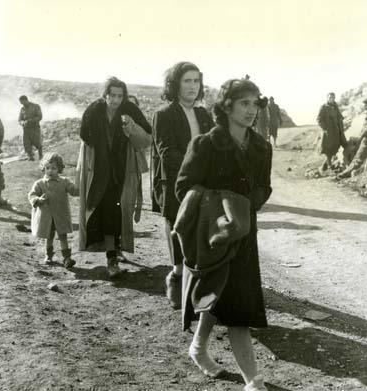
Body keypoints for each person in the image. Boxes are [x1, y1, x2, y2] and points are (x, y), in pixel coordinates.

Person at [175, 78, 273, 391]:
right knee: (227, 302)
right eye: (244, 103)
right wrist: (220, 207)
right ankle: (253, 382)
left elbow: (264, 187)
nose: (251, 110)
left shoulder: (261, 147)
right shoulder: (206, 144)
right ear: (227, 106)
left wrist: (243, 208)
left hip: (243, 237)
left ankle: (198, 348)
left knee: (230, 302)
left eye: (255, 103)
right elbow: (183, 187)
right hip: (213, 237)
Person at [151, 61, 215, 309]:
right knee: (178, 232)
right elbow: (167, 152)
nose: (192, 86)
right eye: (187, 81)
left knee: (201, 234)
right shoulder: (164, 114)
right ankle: (176, 277)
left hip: (202, 184)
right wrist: (197, 171)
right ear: (175, 84)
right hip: (176, 184)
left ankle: (198, 287)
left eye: (196, 81)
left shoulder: (202, 114)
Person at [77, 77, 152, 278]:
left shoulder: (130, 110)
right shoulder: (94, 111)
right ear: (105, 95)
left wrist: (131, 128)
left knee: (119, 211)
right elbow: (85, 136)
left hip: (122, 170)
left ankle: (114, 253)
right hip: (100, 170)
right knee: (104, 211)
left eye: (120, 96)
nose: (116, 100)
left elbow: (146, 136)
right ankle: (112, 256)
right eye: (112, 95)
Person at [28, 152, 79, 268]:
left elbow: (74, 191)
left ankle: (67, 258)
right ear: (43, 168)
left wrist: (81, 187)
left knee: (63, 236)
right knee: (49, 236)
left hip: (61, 215)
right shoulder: (40, 184)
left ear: (59, 168)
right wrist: (37, 200)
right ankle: (49, 255)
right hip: (47, 216)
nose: (50, 171)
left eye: (54, 168)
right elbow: (32, 195)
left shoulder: (65, 182)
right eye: (47, 168)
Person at [337, 97, 367, 179]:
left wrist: (360, 138)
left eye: (366, 105)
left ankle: (347, 172)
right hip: (366, 137)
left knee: (359, 156)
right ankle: (347, 168)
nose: (365, 107)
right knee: (354, 151)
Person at [317, 92, 347, 172]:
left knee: (336, 147)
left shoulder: (335, 106)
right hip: (329, 133)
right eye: (330, 97)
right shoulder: (323, 107)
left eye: (333, 97)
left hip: (337, 131)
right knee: (329, 150)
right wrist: (326, 128)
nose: (331, 99)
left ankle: (325, 165)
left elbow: (339, 116)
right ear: (327, 98)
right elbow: (319, 119)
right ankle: (329, 166)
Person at [18, 95, 43, 161]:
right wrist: (22, 123)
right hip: (26, 129)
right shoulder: (22, 109)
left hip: (35, 128)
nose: (22, 104)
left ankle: (41, 156)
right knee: (27, 143)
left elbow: (39, 116)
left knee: (37, 142)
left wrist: (31, 121)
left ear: (26, 100)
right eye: (21, 103)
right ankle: (30, 157)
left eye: (22, 102)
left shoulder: (35, 106)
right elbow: (19, 119)